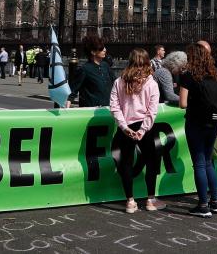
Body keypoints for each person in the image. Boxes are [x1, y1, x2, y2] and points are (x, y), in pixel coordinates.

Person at [109, 48, 164, 213]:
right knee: (151, 162)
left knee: (125, 162)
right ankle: (150, 199)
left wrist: (124, 127)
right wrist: (143, 129)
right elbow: (152, 110)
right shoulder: (151, 83)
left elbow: (114, 106)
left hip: (126, 125)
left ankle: (130, 201)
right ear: (147, 61)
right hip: (144, 127)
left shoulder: (119, 81)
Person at [179, 44, 217, 218]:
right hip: (213, 122)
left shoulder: (188, 75)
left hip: (195, 122)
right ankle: (216, 201)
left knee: (198, 162)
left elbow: (182, 103)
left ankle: (203, 205)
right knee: (208, 161)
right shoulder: (216, 75)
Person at [68, 35, 112, 108]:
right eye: (101, 49)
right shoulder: (84, 69)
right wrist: (68, 102)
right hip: (91, 110)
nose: (105, 50)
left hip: (107, 109)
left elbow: (115, 82)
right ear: (93, 52)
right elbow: (74, 89)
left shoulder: (105, 66)